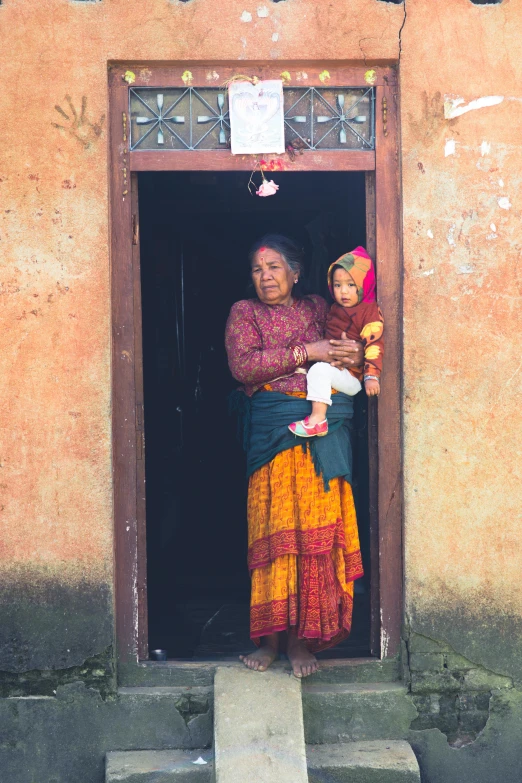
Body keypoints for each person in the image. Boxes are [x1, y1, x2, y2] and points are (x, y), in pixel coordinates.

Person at [225, 234, 365, 678]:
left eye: (274, 268)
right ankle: (269, 641)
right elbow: (244, 367)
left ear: (296, 273)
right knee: (275, 534)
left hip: (321, 441)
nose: (265, 277)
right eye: (257, 269)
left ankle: (304, 642)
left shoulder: (319, 310)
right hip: (273, 437)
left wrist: (351, 352)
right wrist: (307, 352)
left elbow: (347, 344)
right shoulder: (244, 314)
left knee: (317, 538)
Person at [289, 247, 384, 438]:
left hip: (353, 377)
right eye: (338, 285)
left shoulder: (369, 311)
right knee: (319, 371)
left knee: (318, 371)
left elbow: (375, 344)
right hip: (338, 373)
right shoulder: (335, 308)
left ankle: (317, 420)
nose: (343, 292)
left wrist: (371, 376)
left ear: (365, 285)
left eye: (351, 285)